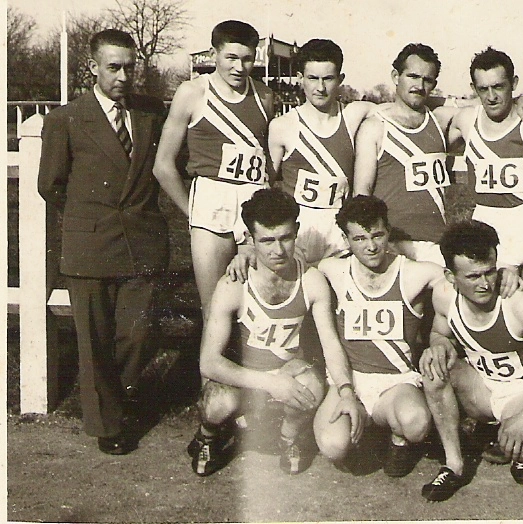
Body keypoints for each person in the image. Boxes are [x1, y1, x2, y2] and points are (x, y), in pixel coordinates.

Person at [37, 29, 169, 455]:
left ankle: (120, 393)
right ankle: (107, 424)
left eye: (130, 67)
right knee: (93, 341)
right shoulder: (66, 119)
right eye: (113, 67)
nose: (123, 76)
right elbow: (50, 186)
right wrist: (92, 216)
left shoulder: (151, 114)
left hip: (142, 243)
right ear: (92, 68)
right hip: (91, 245)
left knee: (138, 332)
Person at [418, 220, 523, 501]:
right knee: (433, 369)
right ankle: (454, 465)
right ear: (451, 277)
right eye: (473, 277)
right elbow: (440, 332)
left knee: (522, 447)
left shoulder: (518, 301)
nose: (485, 284)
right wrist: (437, 346)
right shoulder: (444, 296)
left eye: (489, 272)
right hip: (483, 388)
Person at [187, 188, 346, 477]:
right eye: (267, 241)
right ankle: (207, 435)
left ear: (297, 231)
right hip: (244, 375)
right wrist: (270, 384)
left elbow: (331, 345)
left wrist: (345, 389)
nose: (278, 250)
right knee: (217, 403)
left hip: (286, 370)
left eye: (286, 238)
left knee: (311, 387)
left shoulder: (311, 281)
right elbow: (208, 363)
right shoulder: (233, 284)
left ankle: (288, 438)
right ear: (250, 239)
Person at [353, 43, 523, 266]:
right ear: (396, 76)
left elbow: (487, 104)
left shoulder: (440, 120)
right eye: (413, 76)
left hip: (438, 244)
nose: (419, 85)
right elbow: (362, 195)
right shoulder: (375, 127)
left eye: (427, 80)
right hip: (395, 243)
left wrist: (520, 100)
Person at [312, 195, 445, 477]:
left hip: (394, 383)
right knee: (333, 445)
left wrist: (503, 276)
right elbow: (293, 270)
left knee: (416, 424)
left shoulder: (413, 273)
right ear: (346, 240)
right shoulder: (333, 269)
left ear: (388, 232)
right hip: (349, 379)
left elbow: (458, 278)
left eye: (377, 235)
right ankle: (363, 432)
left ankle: (398, 440)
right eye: (359, 239)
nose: (371, 246)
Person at [153, 20, 274, 322]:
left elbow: (269, 161)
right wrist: (192, 211)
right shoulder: (192, 92)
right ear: (213, 54)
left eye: (247, 59)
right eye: (231, 58)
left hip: (253, 200)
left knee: (259, 306)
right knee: (215, 309)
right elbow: (163, 165)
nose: (239, 67)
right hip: (211, 201)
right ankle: (210, 370)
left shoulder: (265, 96)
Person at [265, 39, 379, 265]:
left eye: (328, 79)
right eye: (313, 78)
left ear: (340, 79)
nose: (320, 88)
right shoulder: (283, 126)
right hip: (297, 237)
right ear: (300, 78)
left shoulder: (354, 115)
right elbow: (265, 186)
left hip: (339, 238)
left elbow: (398, 111)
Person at [447, 46, 523, 290]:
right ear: (473, 89)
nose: (491, 96)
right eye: (483, 89)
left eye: (499, 87)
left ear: (513, 83)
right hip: (487, 226)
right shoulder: (466, 120)